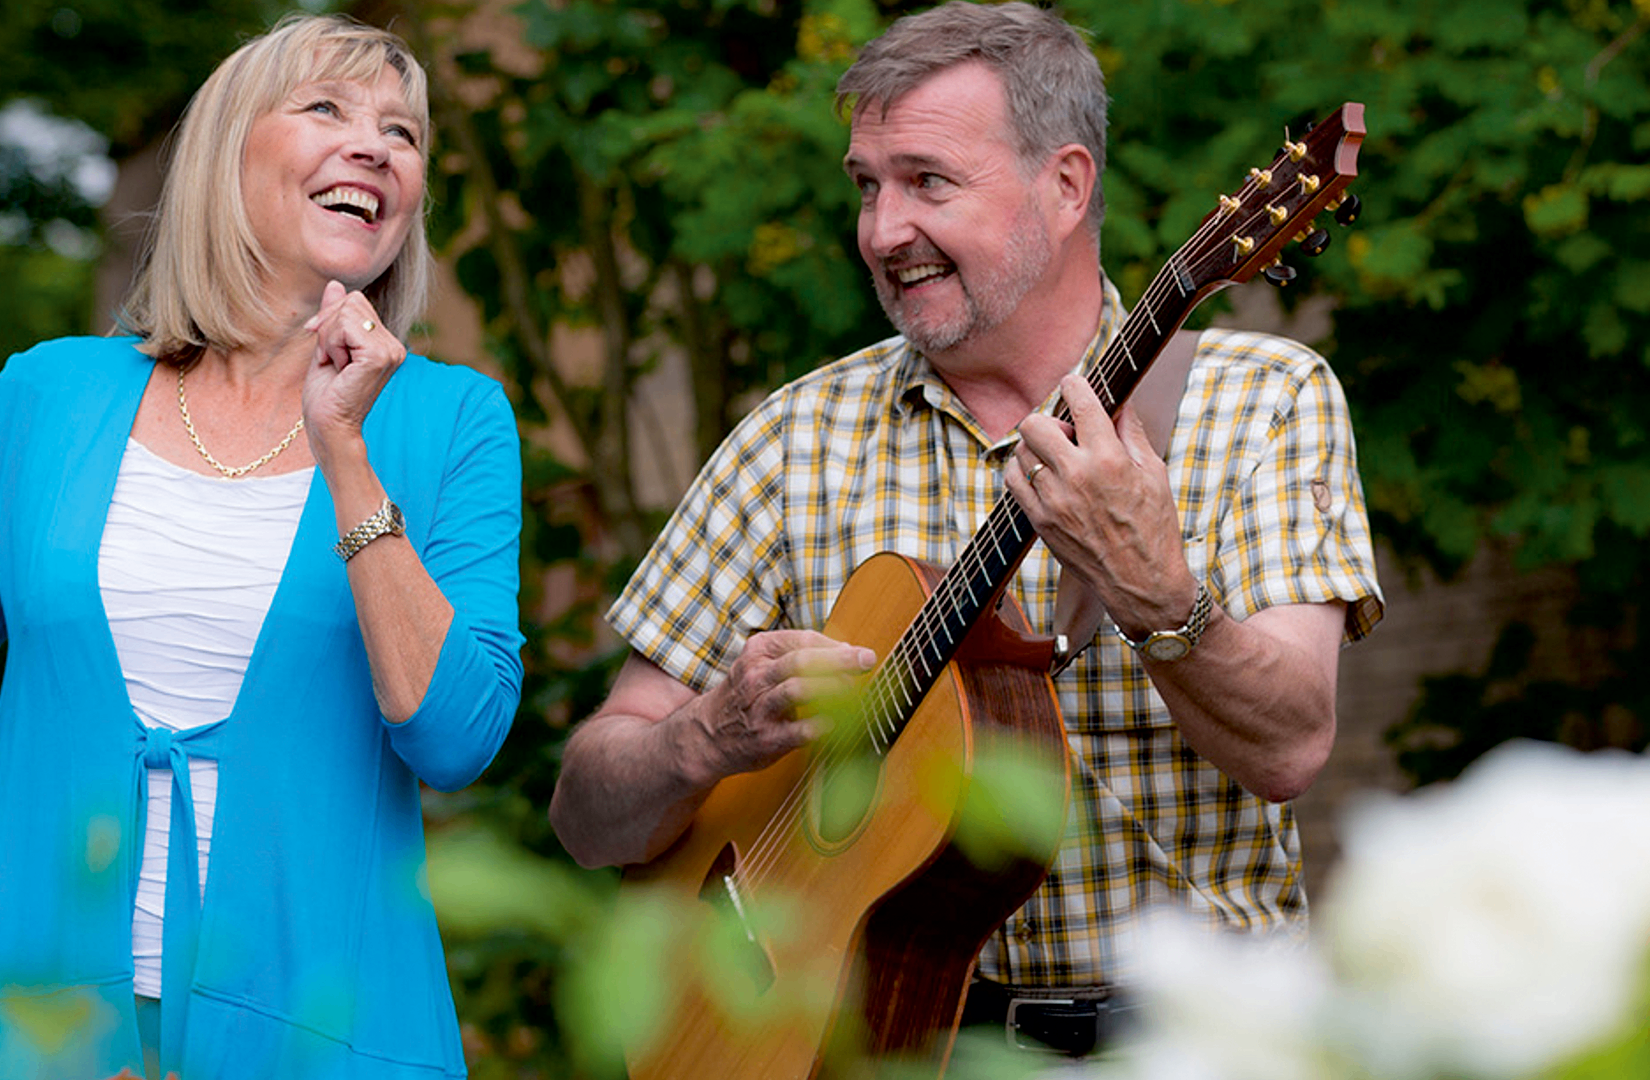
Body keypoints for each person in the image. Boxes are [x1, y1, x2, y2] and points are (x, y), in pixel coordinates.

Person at [548, 0, 1381, 1062]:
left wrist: (1154, 589)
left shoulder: (1258, 403)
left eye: (927, 181)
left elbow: (1291, 746)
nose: (881, 230)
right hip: (877, 1049)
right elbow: (587, 814)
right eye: (866, 185)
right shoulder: (793, 436)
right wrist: (701, 737)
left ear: (1065, 186)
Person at [0, 14, 523, 1079]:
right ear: (225, 151)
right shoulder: (45, 395)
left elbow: (455, 737)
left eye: (404, 132)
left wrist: (344, 445)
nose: (376, 146)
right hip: (22, 1016)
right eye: (327, 109)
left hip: (317, 1023)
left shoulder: (453, 422)